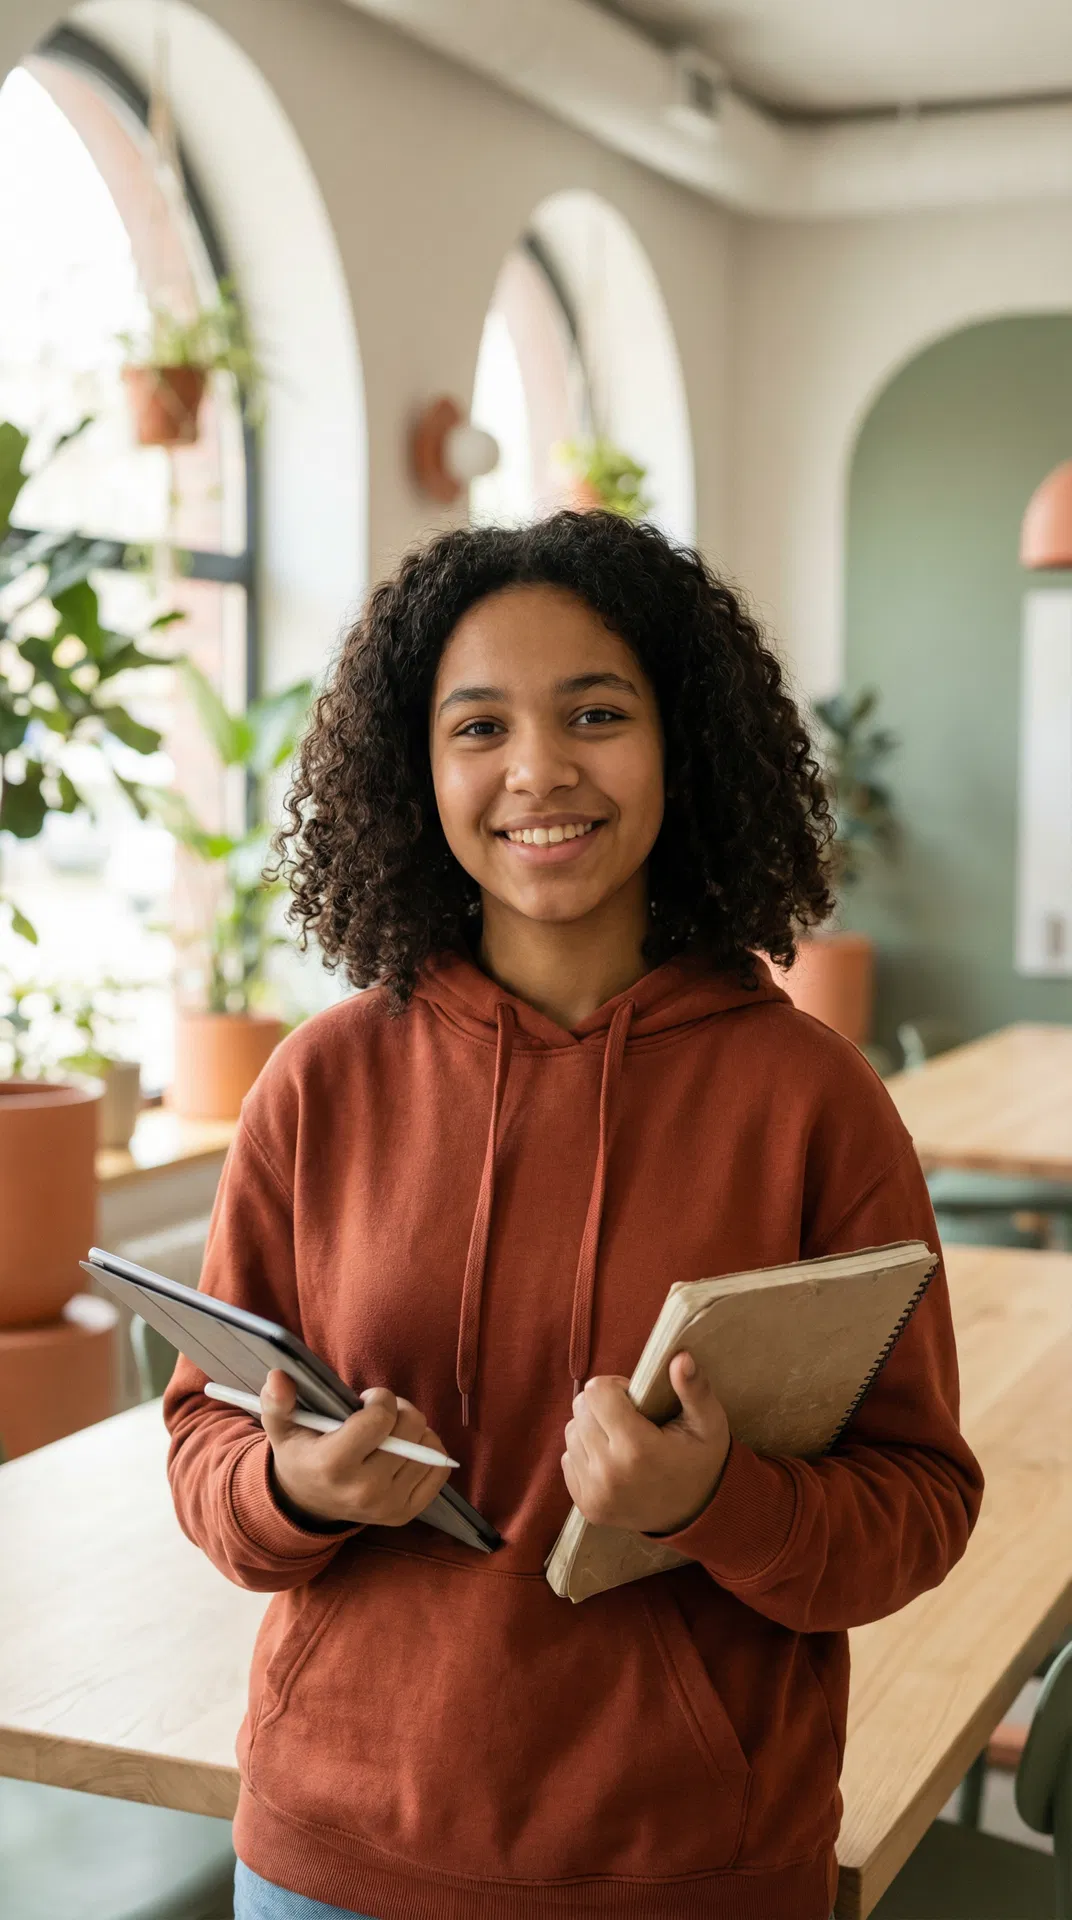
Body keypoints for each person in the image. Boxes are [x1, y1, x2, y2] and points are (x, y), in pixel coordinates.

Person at [163, 511, 983, 1920]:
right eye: (479, 727)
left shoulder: (813, 1101)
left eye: (596, 714)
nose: (538, 770)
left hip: (689, 1872)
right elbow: (204, 1440)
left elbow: (917, 1505)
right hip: (332, 1859)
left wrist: (714, 1503)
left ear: (683, 745)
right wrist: (293, 1490)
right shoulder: (319, 1083)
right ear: (418, 770)